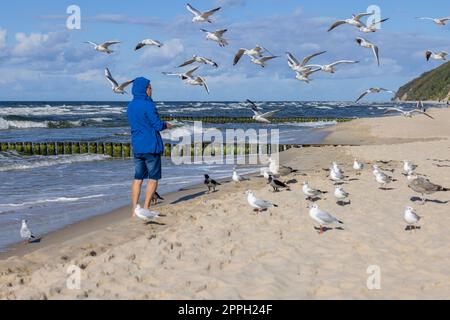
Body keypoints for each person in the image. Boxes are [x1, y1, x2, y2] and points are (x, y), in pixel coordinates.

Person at [127, 77, 172, 217]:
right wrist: (167, 125)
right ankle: (145, 207)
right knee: (153, 178)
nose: (151, 90)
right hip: (151, 146)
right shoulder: (149, 105)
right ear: (144, 89)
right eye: (150, 87)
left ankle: (134, 210)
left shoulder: (131, 105)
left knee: (138, 178)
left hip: (138, 146)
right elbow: (157, 125)